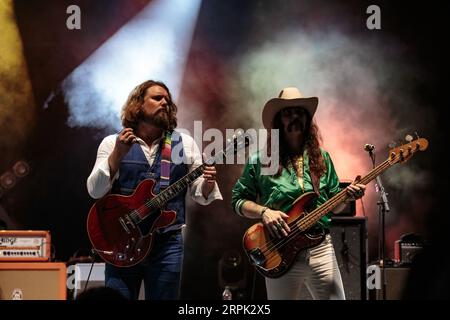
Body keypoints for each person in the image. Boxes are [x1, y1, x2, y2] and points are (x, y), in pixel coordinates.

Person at [87, 80, 222, 300]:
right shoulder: (112, 143)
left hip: (167, 243)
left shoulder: (184, 144)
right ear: (138, 104)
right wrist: (117, 155)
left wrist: (207, 184)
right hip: (121, 241)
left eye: (167, 100)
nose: (165, 103)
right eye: (157, 98)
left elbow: (201, 194)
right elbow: (95, 191)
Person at [231, 87, 365, 300]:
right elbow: (238, 200)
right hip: (278, 250)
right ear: (277, 121)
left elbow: (334, 205)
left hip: (321, 249)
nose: (294, 117)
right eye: (287, 112)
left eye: (299, 112)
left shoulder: (322, 158)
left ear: (307, 120)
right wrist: (264, 211)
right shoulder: (260, 160)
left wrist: (347, 197)